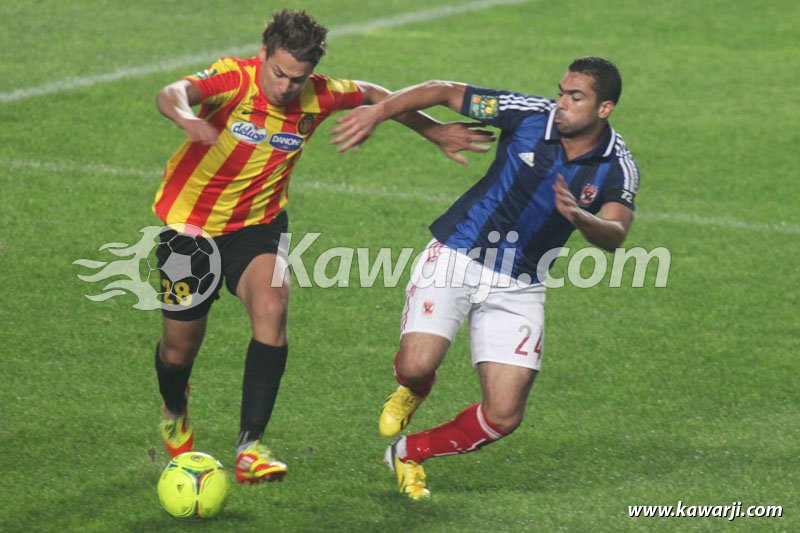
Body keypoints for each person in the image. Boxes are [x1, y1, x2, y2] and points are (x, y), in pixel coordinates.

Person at [151, 9, 492, 485]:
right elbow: (172, 93)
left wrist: (432, 130)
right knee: (177, 349)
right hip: (189, 229)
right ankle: (174, 405)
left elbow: (375, 94)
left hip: (257, 227)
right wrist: (188, 119)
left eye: (298, 78)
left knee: (273, 305)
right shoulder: (233, 78)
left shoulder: (319, 94)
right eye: (279, 73)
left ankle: (251, 448)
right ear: (264, 52)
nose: (287, 86)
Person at [331, 57, 640, 499]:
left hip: (520, 285)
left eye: (577, 97)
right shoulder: (530, 115)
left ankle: (409, 452)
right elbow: (441, 87)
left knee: (505, 414)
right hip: (459, 253)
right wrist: (378, 111)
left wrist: (580, 217)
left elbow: (615, 234)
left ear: (604, 108)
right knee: (415, 364)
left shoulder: (617, 166)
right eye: (562, 92)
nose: (563, 104)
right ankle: (415, 387)